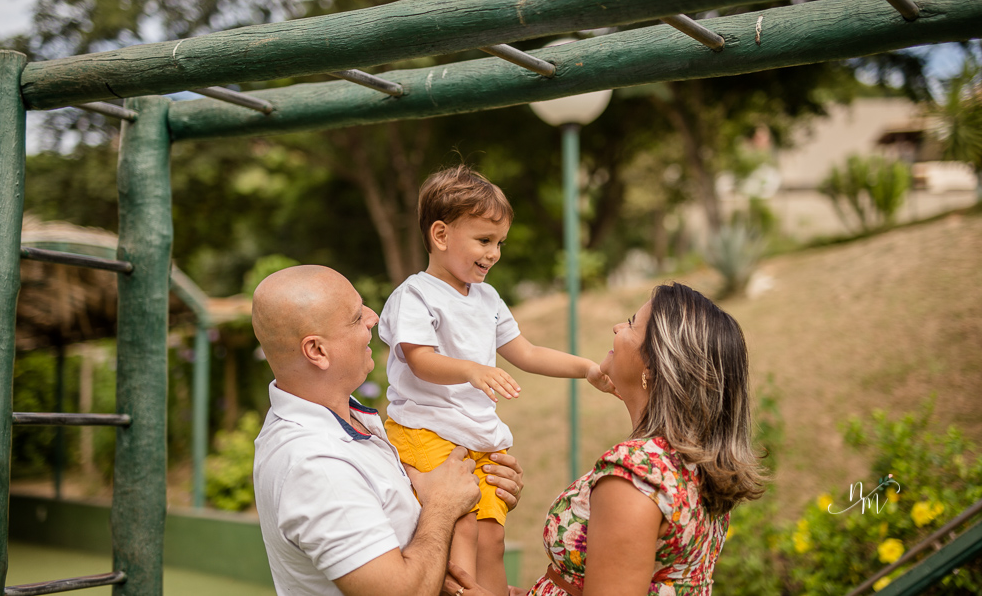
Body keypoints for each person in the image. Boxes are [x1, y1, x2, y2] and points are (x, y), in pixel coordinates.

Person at [378, 165, 617, 595]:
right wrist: (472, 369)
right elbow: (419, 359)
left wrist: (586, 369)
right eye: (484, 240)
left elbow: (526, 352)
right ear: (440, 234)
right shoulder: (414, 295)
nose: (494, 254)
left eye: (499, 243)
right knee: (462, 525)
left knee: (492, 535)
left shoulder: (487, 298)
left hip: (477, 438)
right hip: (426, 429)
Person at [443, 282, 767, 596]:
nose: (616, 328)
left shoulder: (635, 476)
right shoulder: (695, 467)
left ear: (653, 366)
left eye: (630, 324)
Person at [251, 265, 524, 596]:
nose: (373, 318)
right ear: (317, 351)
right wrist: (444, 504)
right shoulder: (315, 465)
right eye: (355, 318)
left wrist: (481, 486)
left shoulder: (347, 421)